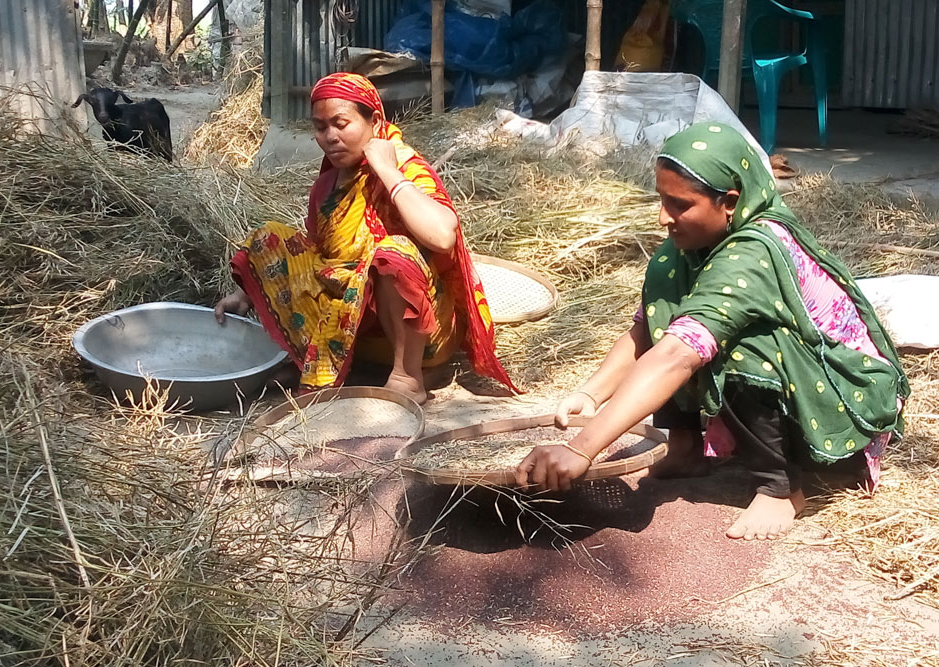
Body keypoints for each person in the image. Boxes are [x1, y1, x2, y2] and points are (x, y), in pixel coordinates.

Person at [515, 123, 908, 540]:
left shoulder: (754, 250)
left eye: (680, 204)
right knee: (677, 319)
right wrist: (591, 394)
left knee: (734, 345)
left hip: (841, 397)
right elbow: (647, 330)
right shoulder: (685, 250)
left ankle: (780, 488)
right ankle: (685, 450)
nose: (663, 216)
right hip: (799, 387)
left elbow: (676, 355)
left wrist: (581, 448)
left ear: (730, 203)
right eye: (661, 198)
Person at [215, 73, 515, 403]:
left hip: (416, 326)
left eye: (341, 124)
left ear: (374, 120)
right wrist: (245, 294)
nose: (330, 137)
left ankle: (406, 376)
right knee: (270, 239)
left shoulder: (404, 166)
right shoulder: (329, 184)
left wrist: (387, 172)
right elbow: (320, 255)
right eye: (320, 127)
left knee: (392, 254)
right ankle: (310, 359)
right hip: (352, 323)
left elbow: (443, 236)